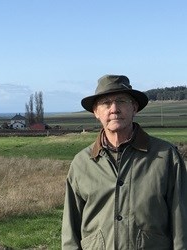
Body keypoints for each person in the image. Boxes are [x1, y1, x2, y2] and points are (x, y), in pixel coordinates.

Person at [61, 74, 187, 249]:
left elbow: (182, 223)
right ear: (96, 112)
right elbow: (70, 231)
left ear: (134, 107)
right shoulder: (82, 163)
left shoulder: (166, 156)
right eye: (106, 103)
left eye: (121, 101)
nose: (114, 109)